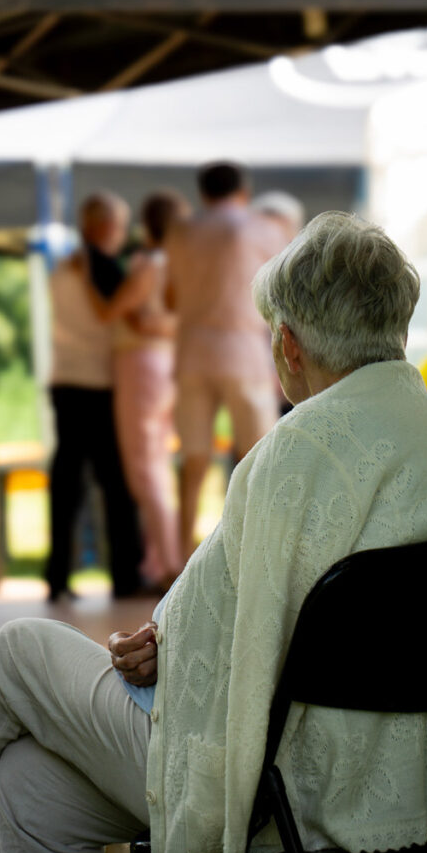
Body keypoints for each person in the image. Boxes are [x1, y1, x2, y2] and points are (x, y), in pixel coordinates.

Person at [0, 211, 427, 853]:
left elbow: (255, 643)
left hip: (277, 773)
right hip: (408, 768)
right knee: (30, 786)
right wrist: (169, 643)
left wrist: (172, 644)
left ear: (287, 343)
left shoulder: (299, 448)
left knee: (18, 647)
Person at [165, 162, 286, 559]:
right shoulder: (261, 228)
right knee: (258, 457)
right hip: (243, 347)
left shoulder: (181, 231)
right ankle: (260, 551)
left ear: (203, 193)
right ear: (244, 190)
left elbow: (169, 298)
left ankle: (181, 554)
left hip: (192, 348)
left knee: (194, 458)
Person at [83, 190, 190, 590]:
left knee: (145, 469)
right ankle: (159, 557)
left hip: (140, 366)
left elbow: (109, 312)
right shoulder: (181, 265)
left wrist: (88, 282)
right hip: (167, 364)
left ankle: (169, 564)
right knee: (157, 462)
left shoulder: (148, 264)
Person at [45, 192, 143, 602]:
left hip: (65, 380)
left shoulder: (61, 268)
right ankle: (125, 575)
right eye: (119, 225)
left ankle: (57, 576)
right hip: (100, 383)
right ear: (103, 227)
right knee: (116, 484)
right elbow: (124, 320)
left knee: (66, 481)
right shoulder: (103, 271)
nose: (122, 235)